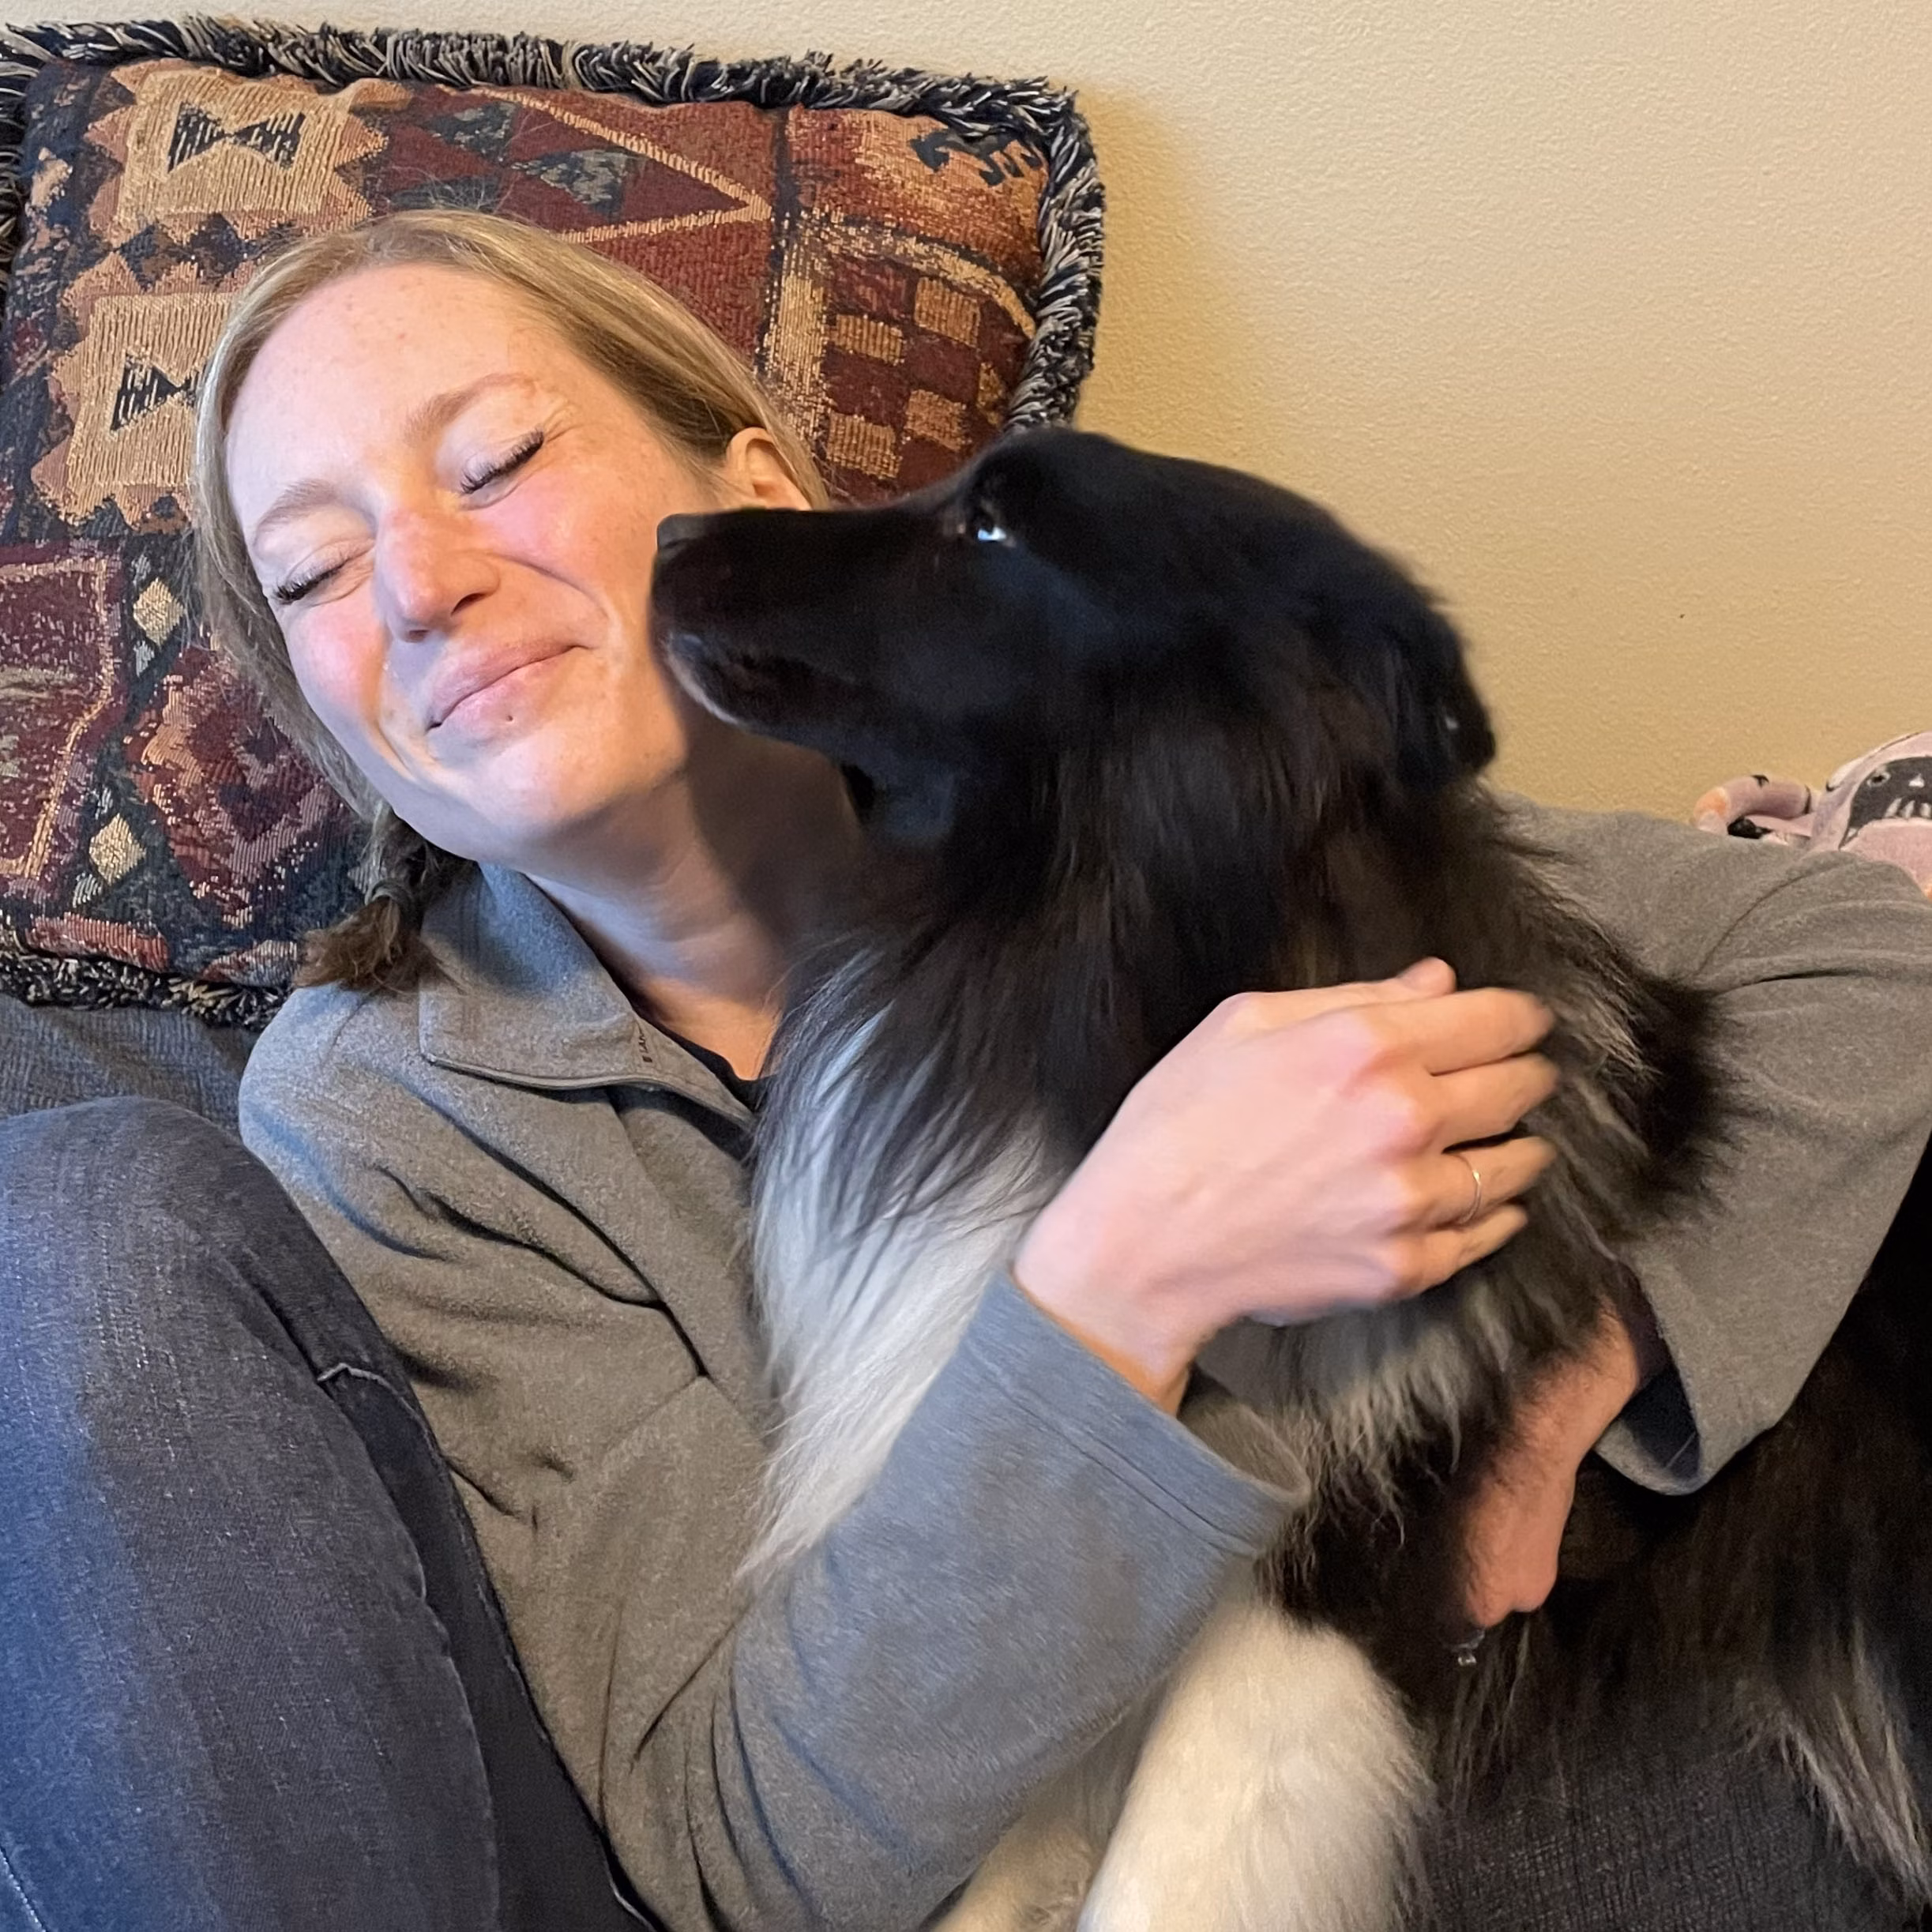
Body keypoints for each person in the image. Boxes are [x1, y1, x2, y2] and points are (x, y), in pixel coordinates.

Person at [1, 209, 1926, 1932]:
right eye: (316, 576)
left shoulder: (1156, 809)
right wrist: (1129, 1278)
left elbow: (1867, 948)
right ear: (335, 726)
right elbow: (737, 1836)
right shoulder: (395, 1116)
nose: (417, 585)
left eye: (496, 460)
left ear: (749, 491)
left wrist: (1592, 1368)